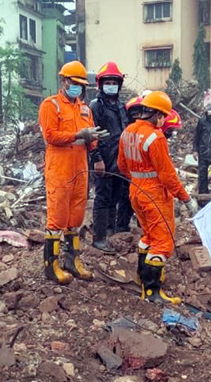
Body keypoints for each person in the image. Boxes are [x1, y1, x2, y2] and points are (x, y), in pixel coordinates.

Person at [118, 91, 199, 304]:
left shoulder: (128, 131)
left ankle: (143, 278)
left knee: (149, 236)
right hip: (154, 193)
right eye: (163, 115)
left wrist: (138, 178)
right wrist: (185, 198)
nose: (164, 120)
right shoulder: (155, 137)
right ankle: (153, 292)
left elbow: (122, 166)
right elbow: (167, 174)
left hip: (136, 190)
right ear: (156, 114)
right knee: (163, 243)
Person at [39, 61, 106, 285]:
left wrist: (94, 139)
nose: (77, 88)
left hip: (80, 168)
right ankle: (51, 264)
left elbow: (90, 141)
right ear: (64, 81)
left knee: (75, 217)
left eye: (80, 84)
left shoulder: (85, 109)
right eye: (74, 83)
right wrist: (78, 134)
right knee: (57, 217)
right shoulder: (52, 105)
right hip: (59, 167)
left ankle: (72, 260)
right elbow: (51, 136)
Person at [89, 61, 129, 253]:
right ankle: (99, 237)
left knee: (115, 195)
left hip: (119, 160)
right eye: (108, 81)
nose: (111, 84)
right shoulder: (96, 106)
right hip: (103, 159)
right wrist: (97, 158)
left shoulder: (120, 107)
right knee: (103, 197)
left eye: (114, 81)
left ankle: (111, 231)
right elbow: (93, 135)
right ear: (101, 84)